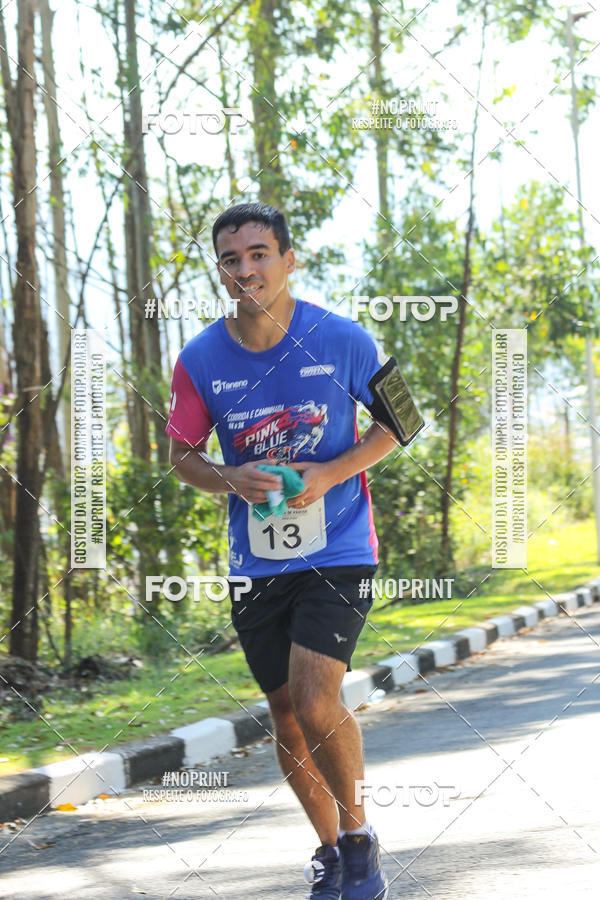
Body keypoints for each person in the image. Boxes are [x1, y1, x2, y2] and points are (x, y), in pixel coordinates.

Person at [166, 202, 402, 899]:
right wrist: (227, 477)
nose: (247, 270)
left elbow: (401, 420)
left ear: (289, 259)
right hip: (256, 563)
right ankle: (329, 850)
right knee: (285, 715)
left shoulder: (342, 338)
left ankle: (360, 842)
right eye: (232, 260)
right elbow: (181, 455)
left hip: (341, 550)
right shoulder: (201, 359)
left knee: (314, 697)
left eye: (260, 254)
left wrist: (332, 472)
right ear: (222, 271)